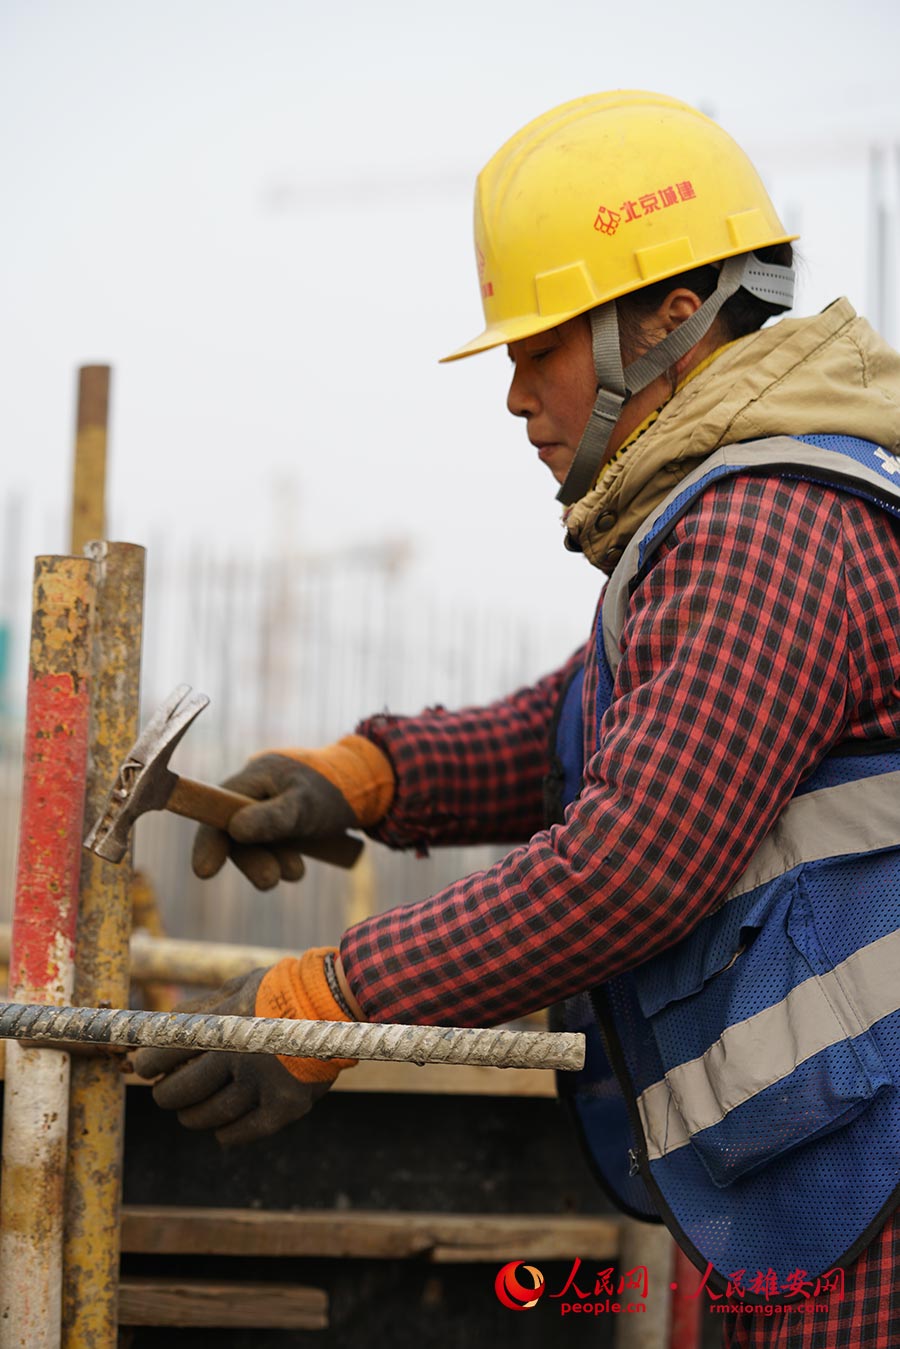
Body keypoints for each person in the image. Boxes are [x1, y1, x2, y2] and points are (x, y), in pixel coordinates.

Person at [134, 91, 900, 1347]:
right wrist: (365, 774)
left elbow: (631, 866)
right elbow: (577, 719)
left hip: (877, 1185)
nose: (513, 394)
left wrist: (330, 1004)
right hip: (838, 1159)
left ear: (669, 318)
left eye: (536, 344)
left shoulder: (772, 526)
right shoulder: (729, 512)